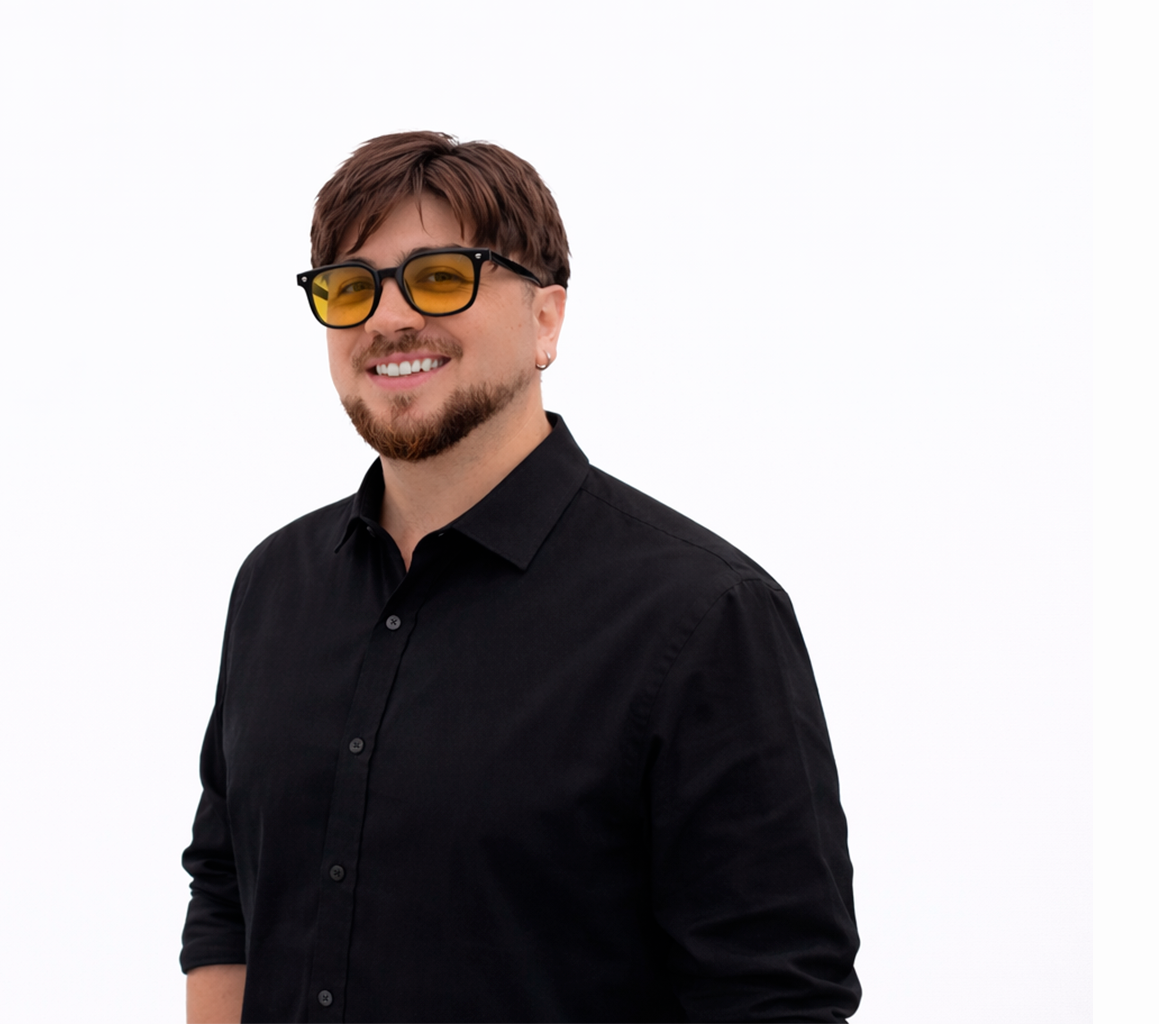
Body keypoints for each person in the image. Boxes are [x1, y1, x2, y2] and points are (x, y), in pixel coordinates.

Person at [181, 131, 860, 1023]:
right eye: (351, 287)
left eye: (439, 276)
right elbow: (227, 895)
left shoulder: (703, 616)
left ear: (547, 319)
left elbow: (774, 994)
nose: (388, 320)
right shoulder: (273, 585)